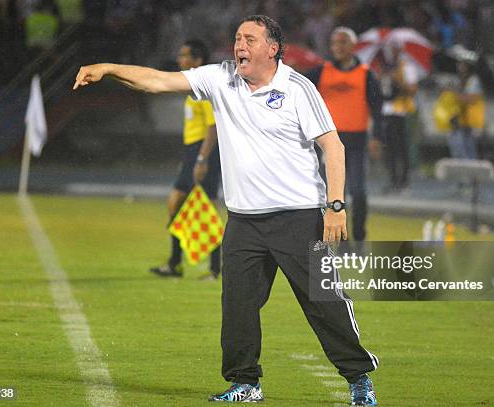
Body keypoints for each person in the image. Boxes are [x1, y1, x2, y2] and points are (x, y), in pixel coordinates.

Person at [73, 15, 378, 406]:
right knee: (237, 305)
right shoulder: (221, 77)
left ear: (273, 48)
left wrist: (336, 207)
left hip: (300, 218)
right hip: (244, 221)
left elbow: (333, 148)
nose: (239, 46)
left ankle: (358, 379)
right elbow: (158, 80)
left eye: (249, 39)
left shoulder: (299, 88)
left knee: (325, 303)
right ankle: (245, 382)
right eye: (237, 38)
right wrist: (109, 69)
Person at [148, 39, 222, 280]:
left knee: (206, 210)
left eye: (184, 55)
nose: (180, 60)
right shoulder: (192, 90)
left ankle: (213, 268)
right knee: (175, 204)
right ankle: (175, 263)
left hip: (204, 153)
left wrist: (202, 159)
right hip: (193, 153)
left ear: (198, 61)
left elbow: (213, 128)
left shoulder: (204, 91)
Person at [307, 26, 382, 245]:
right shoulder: (320, 72)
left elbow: (377, 108)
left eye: (342, 42)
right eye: (334, 43)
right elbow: (297, 89)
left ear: (353, 46)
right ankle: (339, 239)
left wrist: (377, 137)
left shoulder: (366, 74)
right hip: (329, 143)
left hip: (357, 141)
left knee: (358, 192)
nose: (337, 47)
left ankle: (358, 235)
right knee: (331, 194)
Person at [378, 41, 418, 194]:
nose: (391, 52)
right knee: (390, 148)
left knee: (403, 148)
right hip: (388, 110)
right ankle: (393, 180)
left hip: (402, 111)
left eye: (395, 49)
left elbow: (412, 90)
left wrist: (399, 80)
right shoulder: (387, 68)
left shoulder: (407, 67)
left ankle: (404, 181)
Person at [448, 60, 485, 160]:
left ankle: (471, 169)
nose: (460, 67)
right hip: (462, 120)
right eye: (459, 65)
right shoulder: (459, 81)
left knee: (469, 147)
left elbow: (471, 99)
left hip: (472, 120)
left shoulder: (473, 81)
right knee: (458, 144)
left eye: (463, 65)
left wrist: (456, 95)